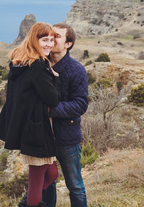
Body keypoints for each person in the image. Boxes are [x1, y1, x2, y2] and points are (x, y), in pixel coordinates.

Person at [18, 23, 89, 207]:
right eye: (49, 37)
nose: (51, 40)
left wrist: (48, 111)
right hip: (42, 136)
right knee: (47, 183)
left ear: (68, 44)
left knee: (74, 185)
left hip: (66, 136)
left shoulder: (77, 70)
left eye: (56, 36)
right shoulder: (39, 64)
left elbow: (80, 104)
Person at [0, 22, 62, 207]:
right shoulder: (38, 64)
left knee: (51, 174)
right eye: (44, 40)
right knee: (37, 182)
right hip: (36, 129)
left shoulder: (21, 61)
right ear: (34, 40)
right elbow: (53, 99)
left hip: (27, 126)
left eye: (51, 40)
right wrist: (55, 77)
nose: (49, 44)